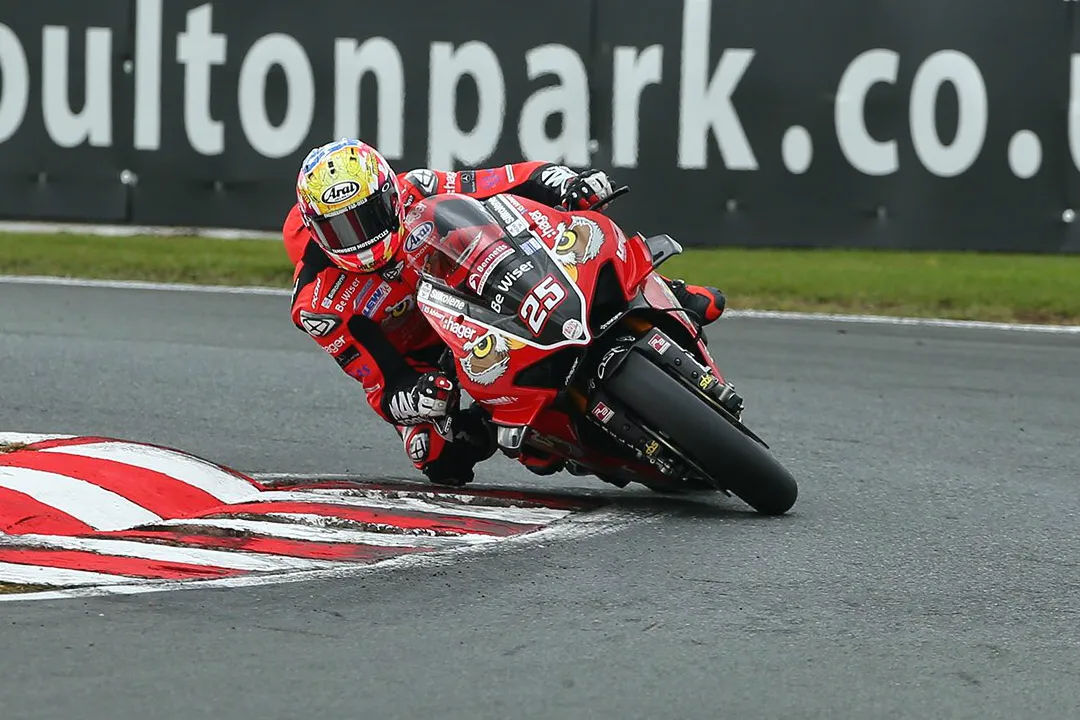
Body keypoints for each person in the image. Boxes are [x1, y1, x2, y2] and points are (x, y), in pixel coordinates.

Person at [283, 138, 727, 487]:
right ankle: (561, 436)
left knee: (578, 235)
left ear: (389, 195)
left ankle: (663, 291)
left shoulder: (415, 186)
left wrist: (564, 183)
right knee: (440, 457)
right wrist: (410, 396)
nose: (359, 236)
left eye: (368, 216)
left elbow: (505, 182)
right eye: (339, 228)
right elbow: (380, 376)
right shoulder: (318, 302)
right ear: (314, 227)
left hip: (478, 291)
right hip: (429, 354)